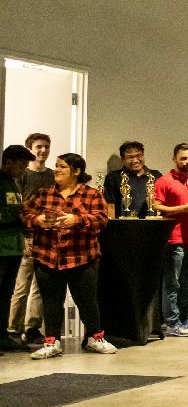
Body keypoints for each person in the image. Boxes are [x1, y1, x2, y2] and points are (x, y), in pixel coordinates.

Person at [22, 152, 112, 360]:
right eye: (57, 165)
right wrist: (38, 220)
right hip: (47, 256)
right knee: (51, 301)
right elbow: (24, 214)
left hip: (81, 256)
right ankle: (51, 342)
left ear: (77, 171)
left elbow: (102, 219)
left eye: (62, 166)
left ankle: (95, 338)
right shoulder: (43, 194)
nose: (57, 170)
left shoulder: (91, 194)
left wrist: (76, 219)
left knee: (87, 300)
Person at [154, 143, 188, 338]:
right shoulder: (164, 181)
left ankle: (185, 320)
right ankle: (172, 323)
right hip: (174, 240)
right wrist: (182, 209)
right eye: (184, 158)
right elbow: (157, 206)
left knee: (187, 284)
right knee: (172, 284)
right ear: (175, 159)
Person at [8, 132, 51, 345]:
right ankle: (12, 328)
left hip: (46, 238)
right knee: (21, 285)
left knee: (40, 286)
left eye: (46, 146)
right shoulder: (21, 175)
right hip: (27, 236)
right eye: (39, 147)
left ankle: (32, 327)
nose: (43, 151)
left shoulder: (51, 175)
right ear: (31, 149)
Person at [0, 145, 34, 351]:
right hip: (1, 247)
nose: (22, 170)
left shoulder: (13, 182)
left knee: (6, 294)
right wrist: (15, 215)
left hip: (13, 247)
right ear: (8, 161)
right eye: (20, 166)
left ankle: (2, 334)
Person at [102, 141, 160, 219]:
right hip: (123, 226)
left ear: (143, 156)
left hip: (151, 225)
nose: (135, 160)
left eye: (138, 156)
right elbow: (110, 205)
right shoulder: (113, 177)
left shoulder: (156, 175)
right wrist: (112, 226)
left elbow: (160, 203)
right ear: (122, 159)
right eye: (130, 157)